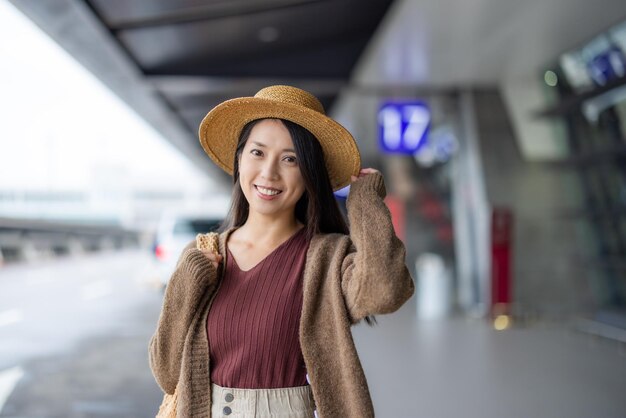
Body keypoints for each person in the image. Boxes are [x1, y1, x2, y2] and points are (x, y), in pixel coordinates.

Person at [149, 85, 415, 417]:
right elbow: (166, 373)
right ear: (240, 159)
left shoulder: (327, 258)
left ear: (308, 173)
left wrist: (365, 201)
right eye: (257, 153)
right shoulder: (202, 254)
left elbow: (384, 291)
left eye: (290, 159)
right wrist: (185, 284)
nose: (269, 173)